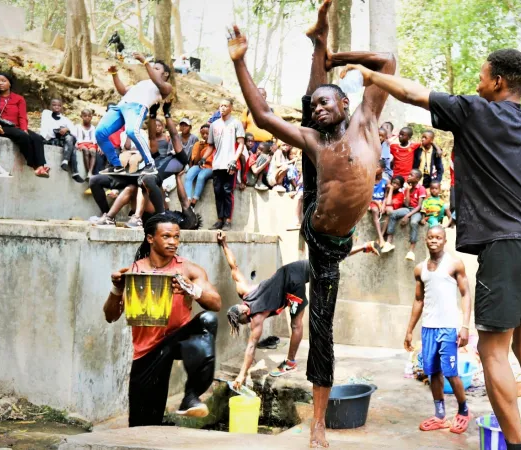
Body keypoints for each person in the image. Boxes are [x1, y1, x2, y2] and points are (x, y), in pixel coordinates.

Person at [348, 47, 521, 450]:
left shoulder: (476, 111)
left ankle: (519, 447)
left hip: (507, 249)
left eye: (482, 75)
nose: (477, 82)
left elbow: (411, 93)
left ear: (499, 82)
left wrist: (372, 78)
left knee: (493, 352)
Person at [228, 1, 397, 445]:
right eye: (315, 104)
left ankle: (318, 43)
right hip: (318, 234)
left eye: (326, 102)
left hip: (337, 239)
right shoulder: (313, 137)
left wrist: (335, 58)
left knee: (322, 329)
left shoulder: (366, 119)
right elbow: (263, 117)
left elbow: (387, 63)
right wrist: (241, 60)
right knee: (322, 328)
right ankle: (318, 426)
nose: (319, 108)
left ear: (346, 102)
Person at [102, 213, 221, 426]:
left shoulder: (187, 269)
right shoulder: (135, 271)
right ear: (150, 238)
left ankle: (191, 397)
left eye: (176, 236)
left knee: (208, 320)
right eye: (166, 236)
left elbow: (216, 304)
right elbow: (111, 316)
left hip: (178, 340)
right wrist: (117, 289)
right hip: (147, 352)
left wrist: (191, 289)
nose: (173, 242)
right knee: (142, 423)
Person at [222, 232, 378, 386]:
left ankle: (290, 363)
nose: (248, 321)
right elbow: (234, 267)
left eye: (245, 320)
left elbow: (251, 347)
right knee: (325, 260)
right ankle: (365, 247)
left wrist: (241, 375)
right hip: (291, 269)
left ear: (244, 313)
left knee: (296, 325)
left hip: (293, 288)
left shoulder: (256, 318)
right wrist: (224, 244)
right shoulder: (244, 291)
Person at [403, 226, 472, 434]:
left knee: (451, 373)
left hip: (448, 327)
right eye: (431, 237)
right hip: (428, 328)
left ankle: (463, 411)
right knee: (432, 372)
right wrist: (409, 330)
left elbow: (466, 294)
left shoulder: (454, 264)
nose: (434, 241)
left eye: (438, 237)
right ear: (425, 240)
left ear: (444, 240)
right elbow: (418, 300)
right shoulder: (420, 269)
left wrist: (465, 326)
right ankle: (440, 415)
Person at [96, 54, 173, 175]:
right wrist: (114, 74)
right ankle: (116, 165)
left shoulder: (166, 86)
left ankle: (150, 164)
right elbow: (123, 91)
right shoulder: (143, 83)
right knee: (100, 132)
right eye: (152, 68)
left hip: (136, 107)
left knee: (132, 131)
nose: (152, 70)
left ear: (165, 74)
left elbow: (158, 82)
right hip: (121, 106)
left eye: (156, 68)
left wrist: (145, 62)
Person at [0, 72, 49, 177]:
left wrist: (24, 128)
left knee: (37, 138)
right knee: (22, 136)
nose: (0, 83)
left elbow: (22, 116)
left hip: (17, 126)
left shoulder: (18, 98)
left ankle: (41, 166)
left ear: (10, 83)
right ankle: (35, 166)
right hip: (1, 127)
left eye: (3, 81)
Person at [207, 99, 245, 231]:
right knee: (218, 192)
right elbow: (210, 146)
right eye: (221, 105)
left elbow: (241, 143)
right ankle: (219, 219)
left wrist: (235, 159)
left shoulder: (236, 123)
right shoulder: (214, 125)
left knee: (228, 192)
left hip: (230, 164)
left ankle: (228, 220)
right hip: (217, 164)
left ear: (231, 108)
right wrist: (204, 158)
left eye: (225, 106)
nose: (222, 108)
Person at [383, 169, 427, 260]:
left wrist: (407, 216)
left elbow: (419, 206)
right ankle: (389, 242)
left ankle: (411, 251)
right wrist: (407, 190)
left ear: (417, 178)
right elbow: (407, 204)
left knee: (414, 222)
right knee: (393, 214)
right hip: (408, 209)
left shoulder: (421, 189)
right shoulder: (408, 188)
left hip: (417, 211)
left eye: (411, 175)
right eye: (409, 174)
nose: (409, 176)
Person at [40, 98, 78, 179]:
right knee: (72, 148)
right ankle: (75, 172)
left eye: (59, 106)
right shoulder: (46, 113)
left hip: (60, 140)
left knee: (69, 138)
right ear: (50, 106)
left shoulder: (65, 119)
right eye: (54, 105)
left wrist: (66, 129)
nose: (57, 107)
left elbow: (74, 131)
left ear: (61, 107)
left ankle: (65, 161)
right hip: (49, 139)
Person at [184, 124, 213, 208]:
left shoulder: (215, 144)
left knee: (201, 176)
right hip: (200, 166)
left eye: (207, 133)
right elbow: (196, 162)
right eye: (203, 134)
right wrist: (200, 149)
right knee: (189, 174)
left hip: (210, 168)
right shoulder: (198, 144)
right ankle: (188, 199)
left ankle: (194, 201)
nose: (205, 136)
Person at [369, 159, 389, 246]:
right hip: (371, 202)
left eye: (376, 167)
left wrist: (383, 205)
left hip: (381, 202)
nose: (373, 169)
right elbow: (366, 197)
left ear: (383, 169)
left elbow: (386, 196)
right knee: (375, 210)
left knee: (390, 211)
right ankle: (381, 238)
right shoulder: (369, 180)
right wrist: (376, 202)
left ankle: (381, 236)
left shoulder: (386, 181)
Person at [75, 109, 99, 180]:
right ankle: (88, 171)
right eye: (85, 116)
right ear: (81, 116)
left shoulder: (94, 127)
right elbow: (75, 137)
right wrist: (75, 144)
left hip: (91, 143)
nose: (87, 117)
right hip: (81, 143)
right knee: (85, 150)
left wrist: (98, 145)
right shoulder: (77, 126)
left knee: (93, 151)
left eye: (89, 116)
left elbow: (95, 139)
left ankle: (90, 172)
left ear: (91, 117)